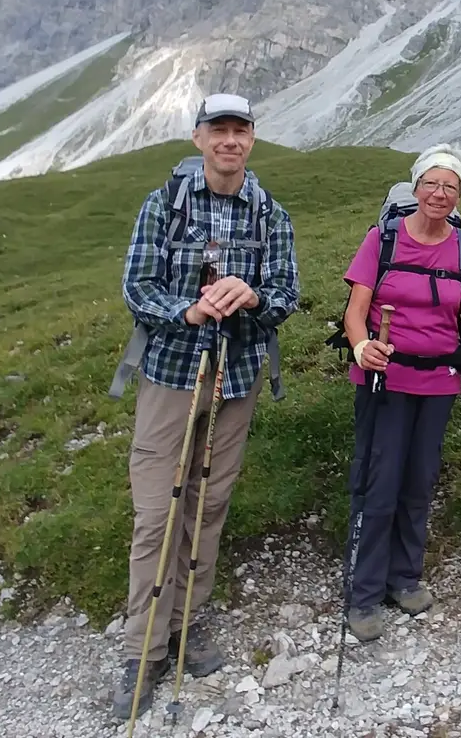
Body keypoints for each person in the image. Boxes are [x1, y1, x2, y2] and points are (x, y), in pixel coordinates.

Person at [110, 92, 301, 720]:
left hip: (235, 375)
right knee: (156, 510)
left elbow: (286, 293)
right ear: (198, 138)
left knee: (208, 501)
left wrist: (251, 298)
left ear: (252, 138)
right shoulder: (165, 204)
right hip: (170, 374)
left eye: (240, 130)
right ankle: (144, 648)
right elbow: (138, 285)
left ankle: (185, 630)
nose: (229, 140)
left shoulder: (268, 213)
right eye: (217, 129)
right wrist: (186, 310)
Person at [340, 144, 461, 641]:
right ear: (416, 187)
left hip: (439, 380)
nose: (439, 194)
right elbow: (355, 312)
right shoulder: (382, 239)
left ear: (458, 195)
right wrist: (361, 349)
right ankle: (363, 592)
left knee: (419, 479)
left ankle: (404, 578)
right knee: (379, 480)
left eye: (450, 186)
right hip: (384, 377)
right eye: (431, 183)